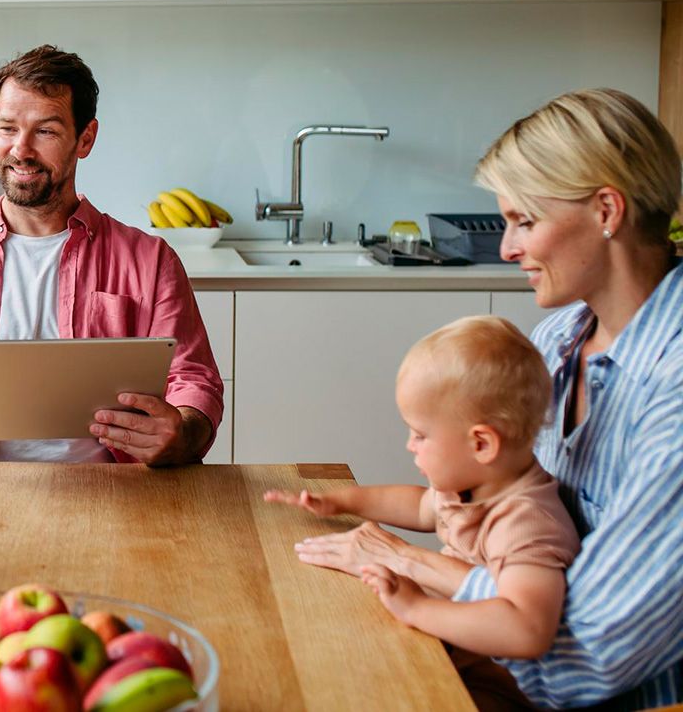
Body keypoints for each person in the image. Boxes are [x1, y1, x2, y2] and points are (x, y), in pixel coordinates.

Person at [291, 88, 683, 710]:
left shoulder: (675, 382)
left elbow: (592, 646)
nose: (505, 249)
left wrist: (417, 568)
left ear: (608, 210)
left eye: (525, 220)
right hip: (505, 666)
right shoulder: (557, 340)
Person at [0, 45, 223, 463]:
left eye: (45, 131)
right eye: (7, 128)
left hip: (116, 497)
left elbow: (194, 383)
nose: (20, 150)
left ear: (86, 139)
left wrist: (181, 431)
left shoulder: (151, 262)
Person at [268, 316, 579, 674]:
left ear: (481, 443)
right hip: (449, 655)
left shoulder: (526, 522)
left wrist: (417, 608)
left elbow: (527, 630)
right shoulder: (472, 487)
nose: (410, 446)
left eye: (420, 435)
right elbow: (418, 505)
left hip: (497, 684)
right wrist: (341, 501)